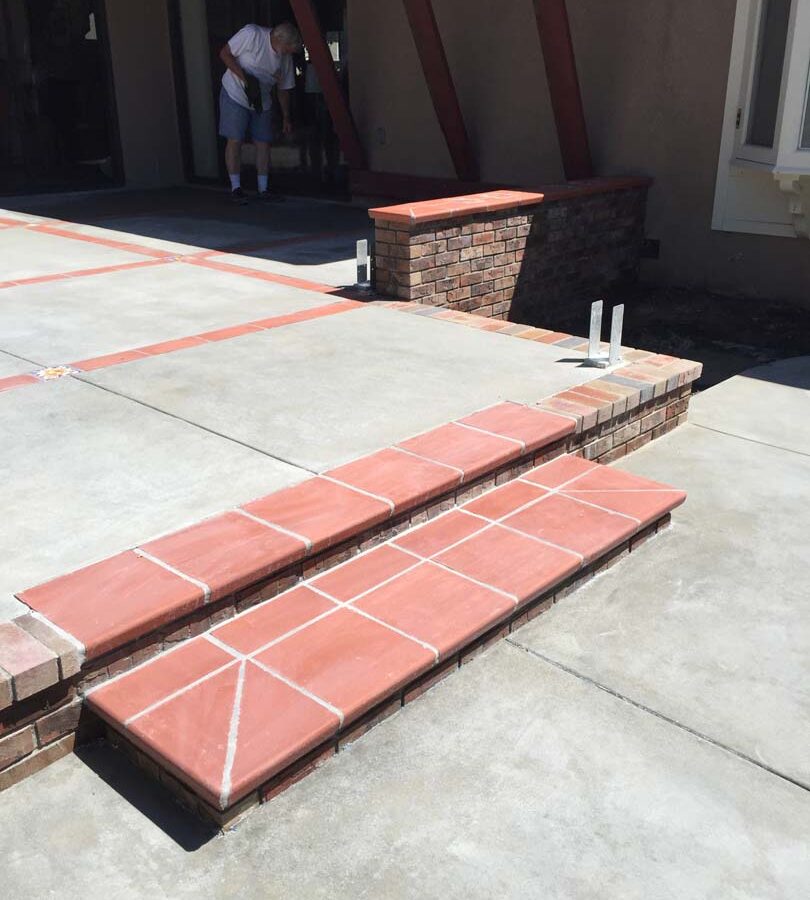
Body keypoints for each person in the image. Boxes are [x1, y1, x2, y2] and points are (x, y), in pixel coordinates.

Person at [218, 21, 302, 204]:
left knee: (263, 141)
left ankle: (263, 189)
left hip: (261, 100)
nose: (288, 53)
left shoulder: (285, 57)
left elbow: (283, 89)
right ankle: (236, 188)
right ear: (278, 39)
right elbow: (225, 53)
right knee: (235, 138)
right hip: (235, 93)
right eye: (288, 48)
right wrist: (245, 79)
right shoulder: (252, 35)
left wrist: (286, 116)